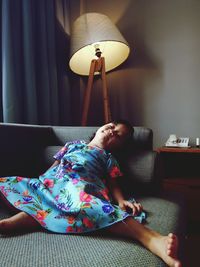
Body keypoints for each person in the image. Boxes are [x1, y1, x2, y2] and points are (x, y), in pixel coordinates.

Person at [0, 119, 181, 267]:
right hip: (51, 185)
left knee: (87, 204)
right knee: (9, 184)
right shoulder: (72, 145)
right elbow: (53, 167)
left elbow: (113, 182)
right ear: (99, 128)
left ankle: (152, 239)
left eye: (118, 135)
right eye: (111, 126)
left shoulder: (107, 157)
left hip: (80, 188)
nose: (112, 131)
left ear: (119, 146)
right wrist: (40, 182)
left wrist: (121, 200)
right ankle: (14, 222)